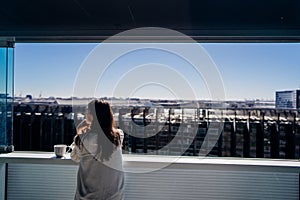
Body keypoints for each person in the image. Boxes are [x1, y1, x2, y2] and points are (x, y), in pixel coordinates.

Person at [71, 99, 124, 200]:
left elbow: (75, 157)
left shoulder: (83, 139)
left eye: (87, 111)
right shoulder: (118, 136)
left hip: (88, 196)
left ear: (92, 116)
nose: (85, 113)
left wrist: (79, 132)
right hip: (114, 196)